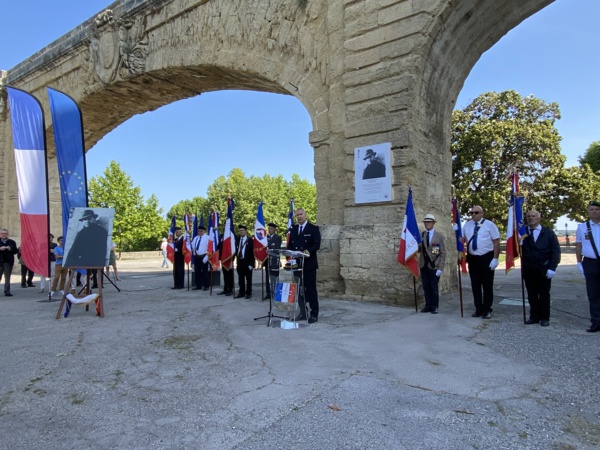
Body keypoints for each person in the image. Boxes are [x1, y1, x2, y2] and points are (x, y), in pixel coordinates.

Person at [521, 210, 561, 327]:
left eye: (533, 216)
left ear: (539, 218)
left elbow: (555, 251)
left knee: (544, 294)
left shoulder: (548, 233)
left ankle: (545, 317)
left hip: (544, 269)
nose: (531, 218)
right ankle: (534, 316)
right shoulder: (522, 233)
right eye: (528, 216)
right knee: (531, 294)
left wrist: (552, 267)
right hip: (528, 269)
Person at [463, 205, 500, 319]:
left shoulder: (490, 225)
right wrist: (457, 232)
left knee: (487, 285)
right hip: (473, 258)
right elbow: (462, 240)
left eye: (476, 212)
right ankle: (478, 308)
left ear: (482, 213)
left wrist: (495, 258)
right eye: (472, 213)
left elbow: (496, 242)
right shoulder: (467, 225)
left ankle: (487, 309)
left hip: (486, 257)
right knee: (475, 285)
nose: (474, 215)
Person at [287, 208, 321, 323]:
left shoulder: (313, 228)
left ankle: (314, 313)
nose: (299, 216)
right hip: (297, 265)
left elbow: (316, 245)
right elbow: (290, 246)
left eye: (301, 214)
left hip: (309, 265)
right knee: (299, 290)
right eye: (297, 215)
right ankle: (303, 312)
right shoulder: (294, 229)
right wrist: (290, 255)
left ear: (305, 215)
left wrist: (305, 254)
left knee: (310, 290)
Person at [575, 200, 600, 333]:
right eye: (592, 209)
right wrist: (579, 262)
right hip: (590, 263)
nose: (594, 211)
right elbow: (578, 245)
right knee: (593, 294)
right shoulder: (582, 227)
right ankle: (596, 322)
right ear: (588, 211)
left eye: (597, 209)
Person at [418, 214, 447, 314]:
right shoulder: (422, 235)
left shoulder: (439, 236)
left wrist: (441, 268)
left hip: (434, 265)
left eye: (429, 222)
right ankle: (428, 305)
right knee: (426, 286)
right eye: (425, 222)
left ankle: (434, 306)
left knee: (433, 287)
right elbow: (419, 250)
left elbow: (442, 253)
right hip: (423, 264)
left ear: (433, 223)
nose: (427, 224)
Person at [235, 225, 255, 299]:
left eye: (243, 230)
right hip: (240, 261)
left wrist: (251, 264)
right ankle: (241, 292)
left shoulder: (250, 240)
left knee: (248, 278)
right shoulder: (237, 239)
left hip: (247, 262)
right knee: (240, 278)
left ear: (246, 231)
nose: (241, 232)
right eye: (240, 230)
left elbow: (252, 253)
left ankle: (249, 292)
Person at [263, 223, 282, 300]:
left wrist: (270, 247)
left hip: (274, 260)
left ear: (274, 229)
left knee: (275, 277)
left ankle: (275, 292)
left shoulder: (278, 237)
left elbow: (276, 248)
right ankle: (268, 293)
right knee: (268, 277)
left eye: (271, 228)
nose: (269, 230)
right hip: (267, 260)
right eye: (269, 228)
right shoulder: (265, 237)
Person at [0, 228, 19, 297]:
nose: (4, 235)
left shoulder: (11, 242)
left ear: (7, 234)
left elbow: (16, 251)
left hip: (8, 262)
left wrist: (10, 249)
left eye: (5, 233)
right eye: (2, 233)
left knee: (7, 277)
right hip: (0, 262)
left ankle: (7, 291)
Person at [191, 226, 210, 291]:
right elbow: (193, 246)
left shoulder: (207, 238)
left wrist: (207, 257)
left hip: (204, 256)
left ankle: (206, 285)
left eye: (201, 231)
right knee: (197, 272)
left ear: (204, 231)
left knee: (205, 272)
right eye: (198, 231)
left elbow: (209, 248)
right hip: (197, 257)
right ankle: (198, 285)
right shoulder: (196, 238)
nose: (200, 232)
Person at [217, 231, 234, 296]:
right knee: (225, 275)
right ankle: (225, 289)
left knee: (230, 274)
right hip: (223, 258)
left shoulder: (232, 235)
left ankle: (230, 289)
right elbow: (218, 246)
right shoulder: (221, 236)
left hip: (229, 258)